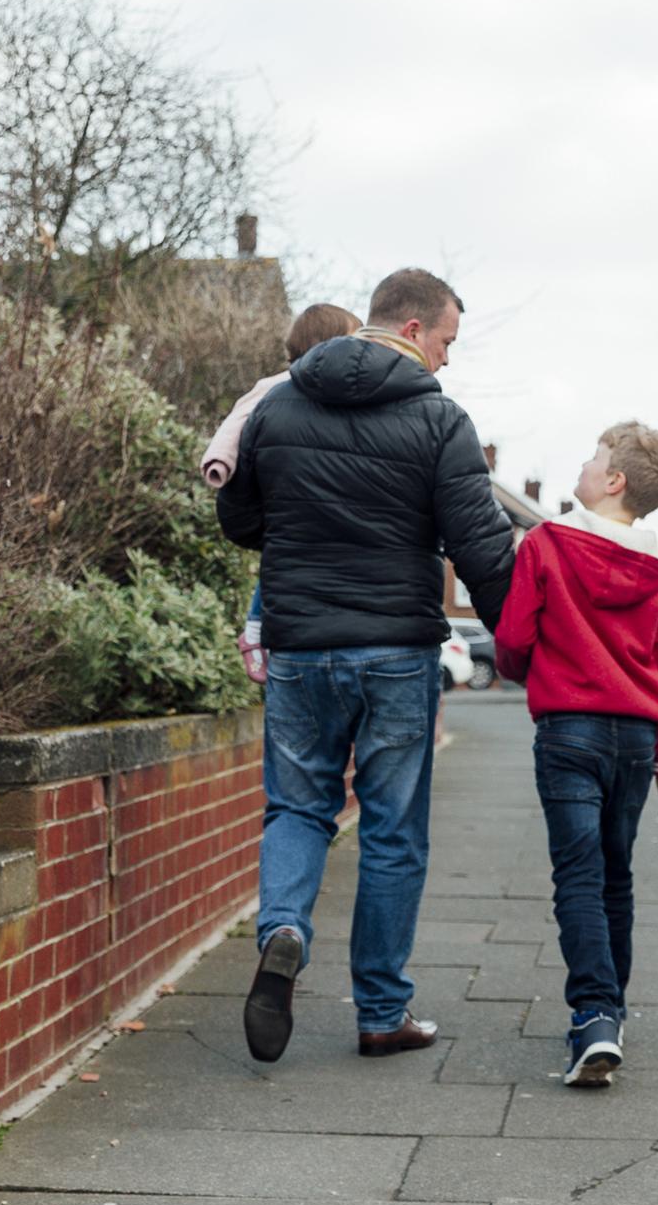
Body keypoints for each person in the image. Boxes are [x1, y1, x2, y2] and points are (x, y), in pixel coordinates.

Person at [217, 268, 515, 1064]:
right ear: (413, 329)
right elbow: (480, 545)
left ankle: (282, 928)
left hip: (302, 648)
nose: (448, 360)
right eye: (448, 340)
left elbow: (239, 516)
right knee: (391, 831)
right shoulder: (437, 417)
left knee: (297, 808)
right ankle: (382, 1012)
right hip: (394, 651)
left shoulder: (277, 404)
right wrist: (517, 640)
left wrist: (304, 532)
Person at [493, 422, 658, 1087]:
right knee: (615, 875)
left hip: (570, 732)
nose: (583, 465)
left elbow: (514, 638)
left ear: (612, 482)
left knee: (578, 878)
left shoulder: (547, 544)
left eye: (593, 458)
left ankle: (593, 1017)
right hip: (637, 741)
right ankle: (613, 1007)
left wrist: (542, 673)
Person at [200, 302, 363, 684]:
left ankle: (257, 628)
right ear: (328, 344)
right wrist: (219, 462)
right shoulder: (277, 387)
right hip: (287, 515)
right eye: (353, 340)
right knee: (278, 557)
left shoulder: (336, 396)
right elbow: (235, 421)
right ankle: (254, 630)